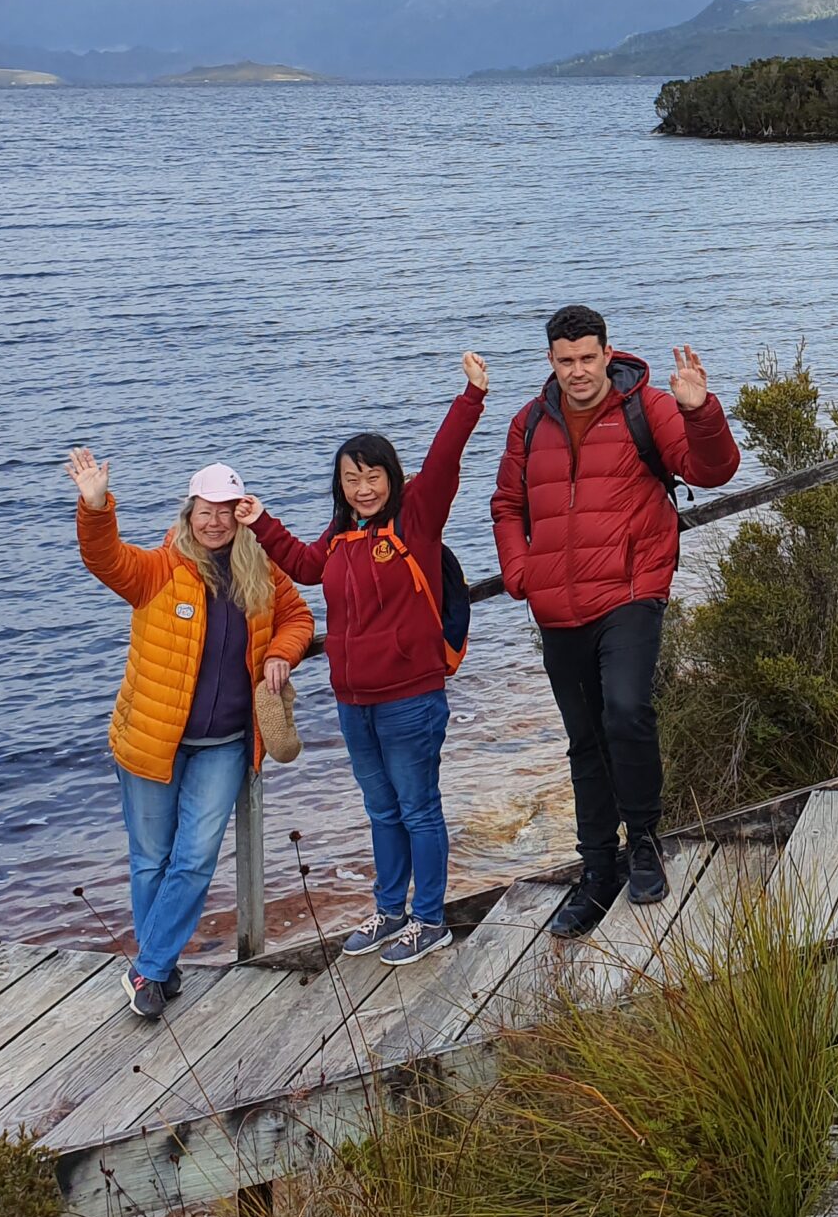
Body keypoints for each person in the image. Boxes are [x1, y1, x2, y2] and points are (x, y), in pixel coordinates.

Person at [490, 305, 741, 939]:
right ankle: (598, 868)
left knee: (626, 711)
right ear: (551, 360)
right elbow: (507, 504)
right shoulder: (529, 424)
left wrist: (700, 410)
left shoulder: (647, 406)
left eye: (587, 358)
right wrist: (521, 571)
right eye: (565, 360)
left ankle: (645, 843)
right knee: (584, 739)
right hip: (557, 605)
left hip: (630, 590)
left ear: (607, 354)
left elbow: (714, 471)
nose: (577, 370)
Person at [237, 355, 489, 967]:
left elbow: (445, 460)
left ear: (392, 477)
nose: (365, 487)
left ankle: (430, 919)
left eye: (374, 475)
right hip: (355, 703)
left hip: (411, 697)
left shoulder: (418, 517)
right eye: (352, 478)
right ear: (341, 486)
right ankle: (390, 912)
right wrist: (259, 520)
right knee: (382, 811)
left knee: (418, 808)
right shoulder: (341, 537)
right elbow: (302, 566)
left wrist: (471, 397)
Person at [67, 448, 313, 1019]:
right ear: (189, 512)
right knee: (151, 859)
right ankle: (160, 966)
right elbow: (104, 558)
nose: (216, 521)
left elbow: (300, 618)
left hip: (225, 744)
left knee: (195, 857)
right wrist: (96, 505)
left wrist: (280, 653)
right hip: (152, 741)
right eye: (206, 509)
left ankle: (148, 969)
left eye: (228, 510)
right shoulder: (158, 569)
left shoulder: (263, 570)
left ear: (244, 514)